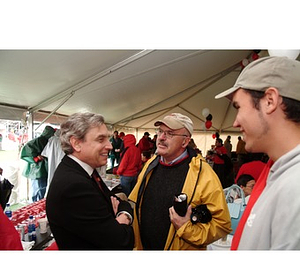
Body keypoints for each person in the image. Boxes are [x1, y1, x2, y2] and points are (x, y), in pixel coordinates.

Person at [215, 55, 300, 250]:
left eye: (238, 107)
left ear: (270, 101)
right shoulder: (279, 172)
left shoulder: (294, 186)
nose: (235, 122)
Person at [129, 113, 231, 250]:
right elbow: (136, 202)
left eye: (170, 134)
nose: (161, 138)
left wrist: (186, 228)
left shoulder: (203, 174)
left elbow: (222, 224)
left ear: (185, 141)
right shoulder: (151, 164)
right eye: (160, 131)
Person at [46, 112, 134, 250]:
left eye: (108, 139)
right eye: (101, 139)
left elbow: (120, 202)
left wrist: (122, 215)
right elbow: (122, 241)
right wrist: (123, 219)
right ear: (76, 144)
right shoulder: (74, 186)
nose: (109, 146)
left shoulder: (85, 172)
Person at [20, 126, 55, 202]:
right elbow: (25, 152)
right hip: (37, 170)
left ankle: (39, 204)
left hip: (43, 169)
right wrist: (36, 158)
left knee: (42, 189)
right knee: (37, 189)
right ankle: (35, 205)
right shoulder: (37, 141)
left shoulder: (49, 141)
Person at [41, 129, 65, 194]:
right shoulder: (66, 141)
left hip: (53, 163)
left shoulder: (52, 140)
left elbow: (45, 153)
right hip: (63, 163)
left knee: (52, 180)